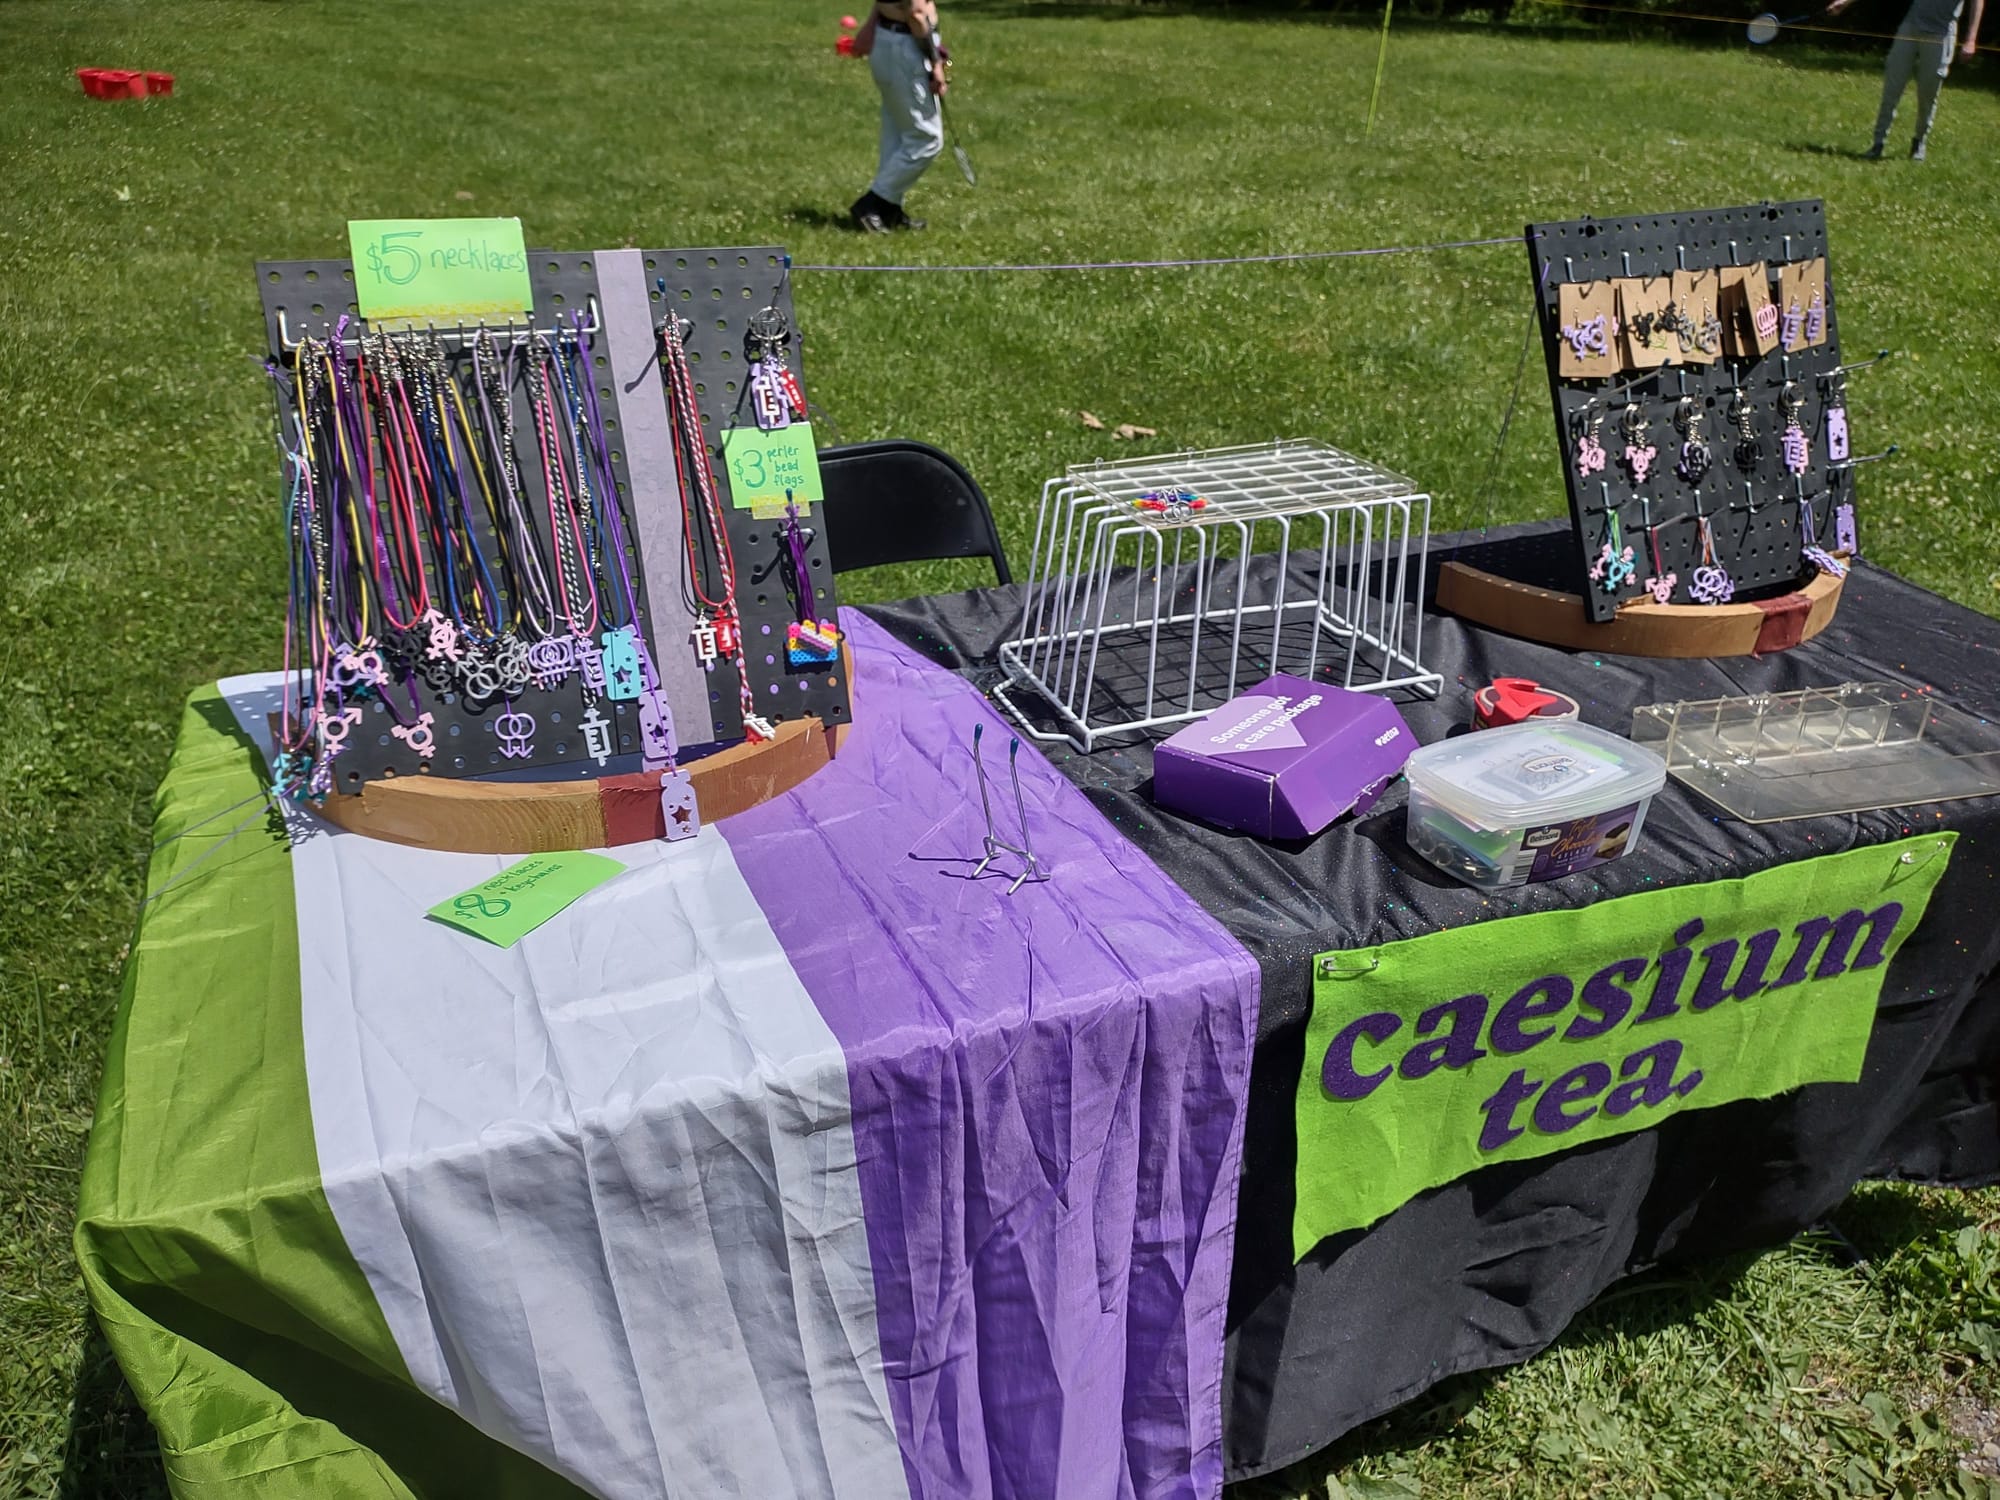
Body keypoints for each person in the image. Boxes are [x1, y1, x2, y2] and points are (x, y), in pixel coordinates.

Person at [1828, 0, 1983, 160]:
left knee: (1927, 94)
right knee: (1892, 88)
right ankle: (1878, 144)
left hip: (1941, 34)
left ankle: (1919, 143)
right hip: (1910, 28)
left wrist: (1971, 40)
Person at [849, 0, 949, 232]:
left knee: (897, 134)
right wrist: (936, 63)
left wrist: (870, 26)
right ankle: (872, 203)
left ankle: (889, 209)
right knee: (927, 139)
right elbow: (915, 13)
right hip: (906, 46)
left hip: (891, 38)